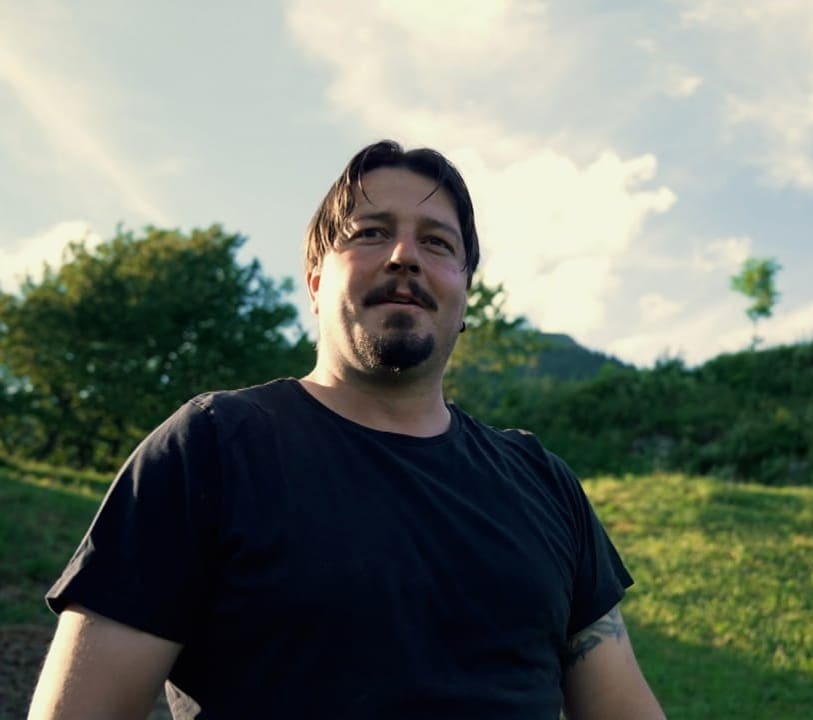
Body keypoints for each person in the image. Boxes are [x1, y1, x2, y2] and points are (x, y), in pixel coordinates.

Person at [29, 140, 667, 719]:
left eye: (437, 243)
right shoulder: (211, 448)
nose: (403, 256)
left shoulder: (542, 483)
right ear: (314, 283)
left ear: (465, 294)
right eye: (370, 233)